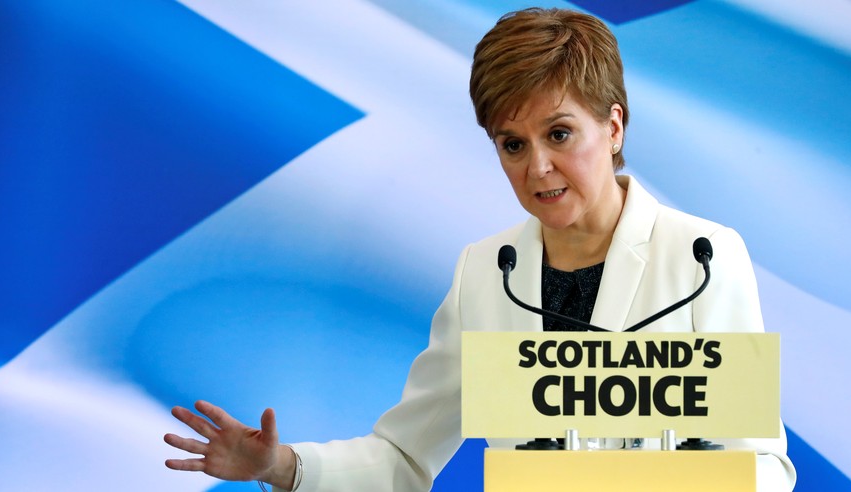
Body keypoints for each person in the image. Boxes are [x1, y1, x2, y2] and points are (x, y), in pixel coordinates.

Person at [164, 7, 797, 491]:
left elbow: (762, 467)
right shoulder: (487, 275)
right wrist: (282, 465)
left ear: (613, 126)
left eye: (559, 133)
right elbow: (404, 458)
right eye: (512, 144)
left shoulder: (702, 257)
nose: (539, 167)